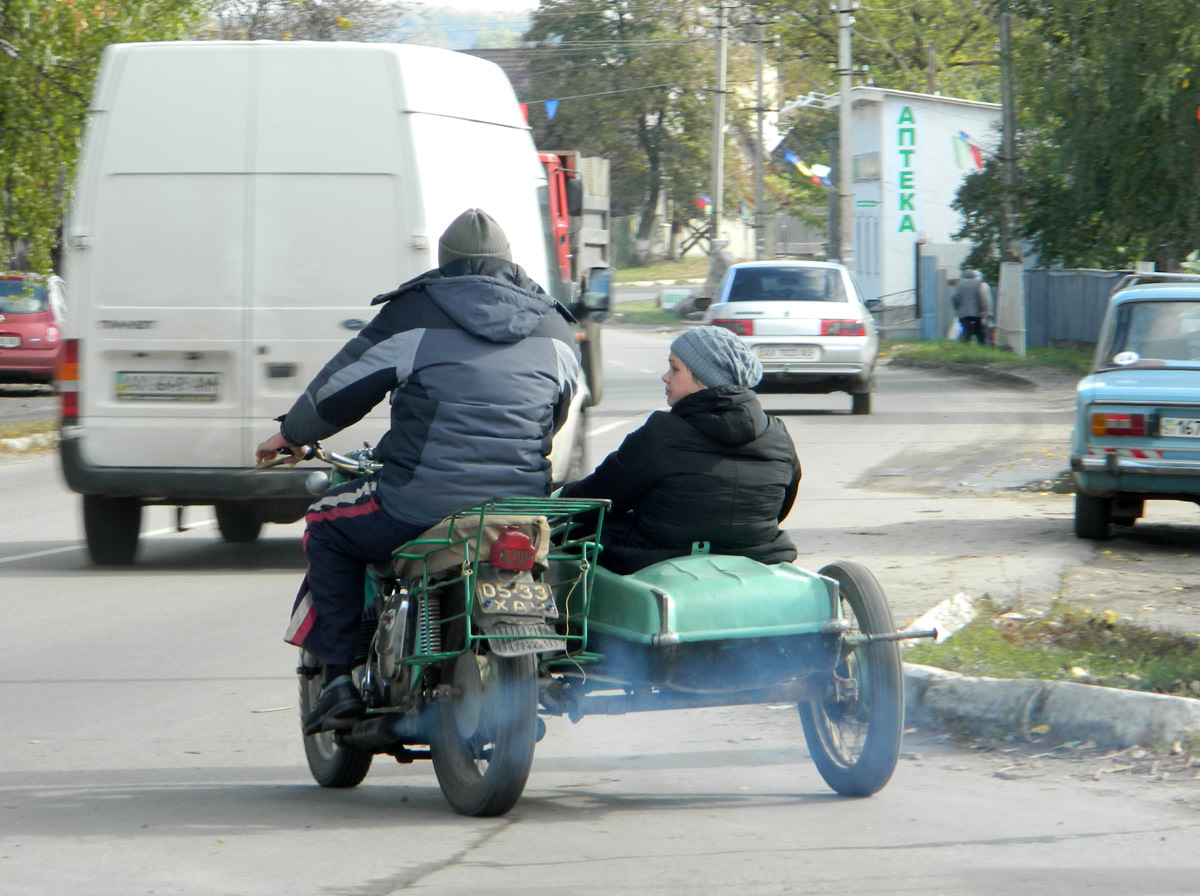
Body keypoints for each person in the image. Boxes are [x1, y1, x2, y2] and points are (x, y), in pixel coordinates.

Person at [255, 208, 582, 734]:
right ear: (510, 263)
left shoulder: (416, 312)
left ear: (444, 261)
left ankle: (339, 678)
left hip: (420, 502)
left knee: (325, 524)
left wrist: (294, 432)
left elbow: (343, 388)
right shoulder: (556, 324)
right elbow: (557, 412)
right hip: (519, 505)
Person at [560, 325, 800, 574]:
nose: (666, 376)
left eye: (674, 369)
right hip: (759, 555)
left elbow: (601, 497)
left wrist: (562, 498)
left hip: (656, 561)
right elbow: (782, 505)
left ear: (704, 379)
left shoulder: (661, 433)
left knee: (578, 534)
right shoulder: (778, 434)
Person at [951, 268, 992, 345]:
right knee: (979, 330)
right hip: (977, 312)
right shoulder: (979, 284)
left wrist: (958, 307)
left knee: (966, 330)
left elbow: (954, 298)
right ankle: (982, 345)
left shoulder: (959, 285)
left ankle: (965, 344)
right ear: (973, 276)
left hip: (964, 312)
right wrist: (984, 309)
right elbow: (982, 297)